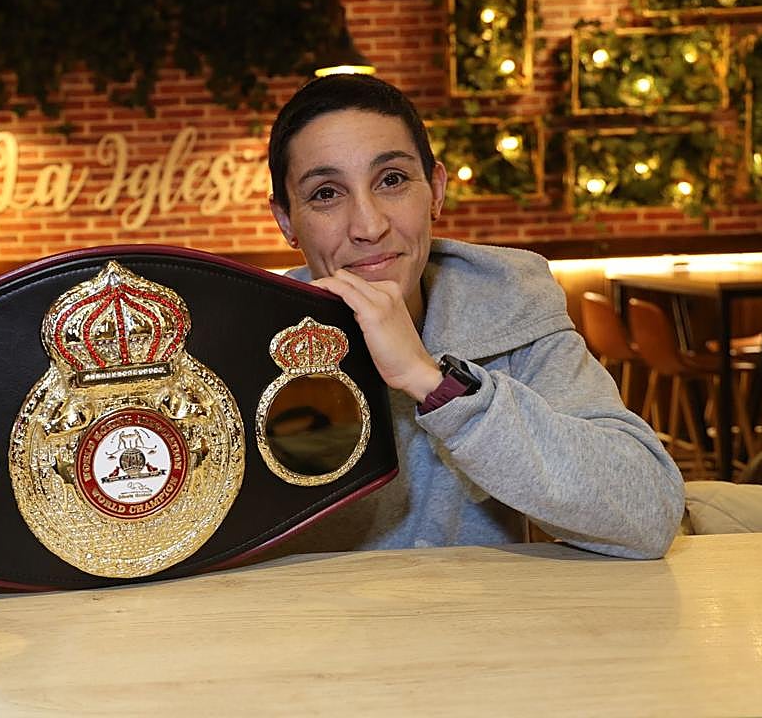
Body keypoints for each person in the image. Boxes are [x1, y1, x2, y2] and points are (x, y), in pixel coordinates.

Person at [265, 73, 684, 560]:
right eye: (326, 194)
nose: (369, 226)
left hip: (487, 628)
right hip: (312, 628)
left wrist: (433, 383)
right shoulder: (251, 340)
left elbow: (648, 514)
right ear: (287, 221)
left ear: (436, 191)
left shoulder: (511, 304)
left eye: (392, 180)